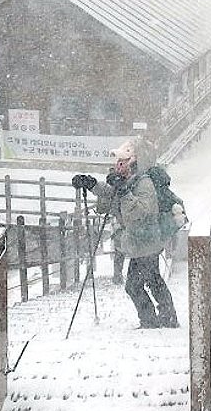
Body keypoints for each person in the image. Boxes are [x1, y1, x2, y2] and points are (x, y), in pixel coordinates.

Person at [72, 141, 179, 329]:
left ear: (132, 163)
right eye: (117, 162)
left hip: (147, 240)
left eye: (122, 161)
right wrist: (91, 184)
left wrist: (124, 192)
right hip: (141, 242)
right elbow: (110, 193)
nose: (118, 165)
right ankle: (165, 317)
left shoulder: (144, 183)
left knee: (136, 285)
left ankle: (153, 320)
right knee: (153, 280)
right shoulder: (128, 182)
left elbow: (142, 213)